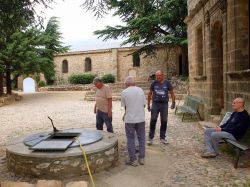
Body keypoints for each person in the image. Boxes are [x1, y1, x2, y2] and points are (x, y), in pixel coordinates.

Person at [121, 76, 146, 166]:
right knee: (142, 138)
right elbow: (144, 105)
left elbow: (125, 106)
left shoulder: (124, 92)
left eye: (125, 84)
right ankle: (142, 158)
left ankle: (133, 159)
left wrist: (126, 114)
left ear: (127, 84)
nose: (124, 85)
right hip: (140, 118)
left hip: (130, 119)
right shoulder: (141, 90)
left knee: (130, 139)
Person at [147, 70, 176, 145]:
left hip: (164, 104)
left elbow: (172, 93)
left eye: (159, 75)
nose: (158, 77)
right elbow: (150, 94)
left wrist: (173, 102)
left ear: (162, 75)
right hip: (155, 104)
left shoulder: (167, 83)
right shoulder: (153, 83)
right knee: (153, 120)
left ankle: (162, 138)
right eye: (157, 76)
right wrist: (148, 104)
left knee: (164, 121)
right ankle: (150, 138)